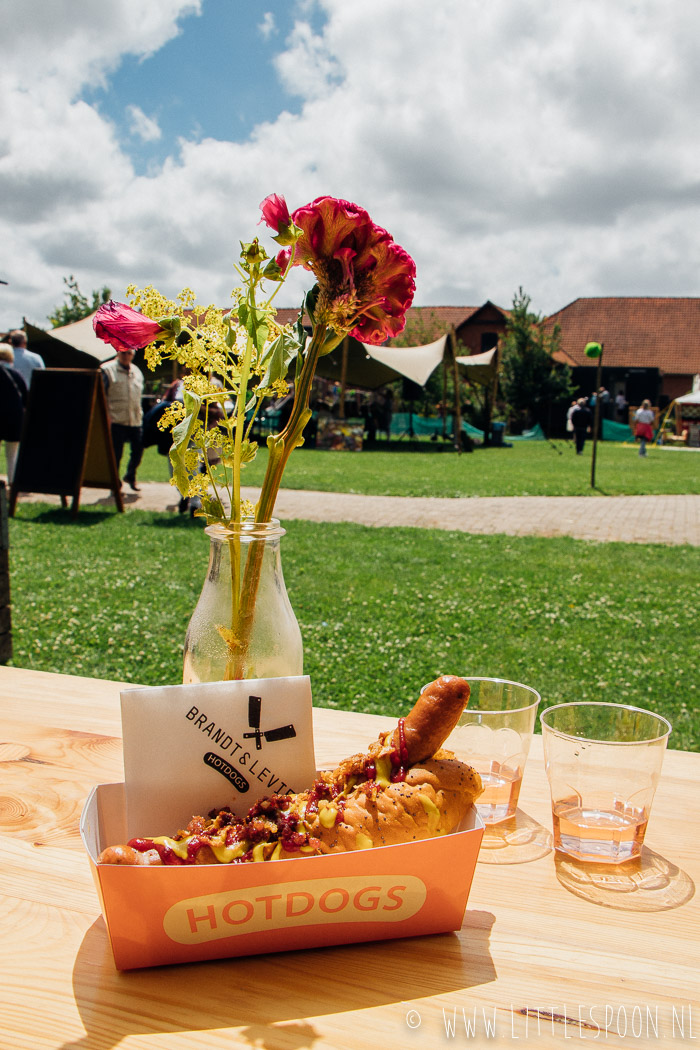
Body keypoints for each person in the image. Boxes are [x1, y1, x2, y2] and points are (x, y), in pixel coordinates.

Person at [100, 347, 145, 491]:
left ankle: (130, 475)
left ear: (133, 355)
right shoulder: (107, 370)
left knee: (138, 450)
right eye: (123, 352)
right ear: (118, 353)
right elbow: (101, 395)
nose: (126, 356)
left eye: (129, 353)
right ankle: (114, 483)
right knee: (116, 454)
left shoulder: (137, 372)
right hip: (115, 419)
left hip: (135, 419)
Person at [0, 343, 28, 483]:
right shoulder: (16, 375)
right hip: (14, 418)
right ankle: (12, 483)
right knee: (12, 454)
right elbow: (25, 397)